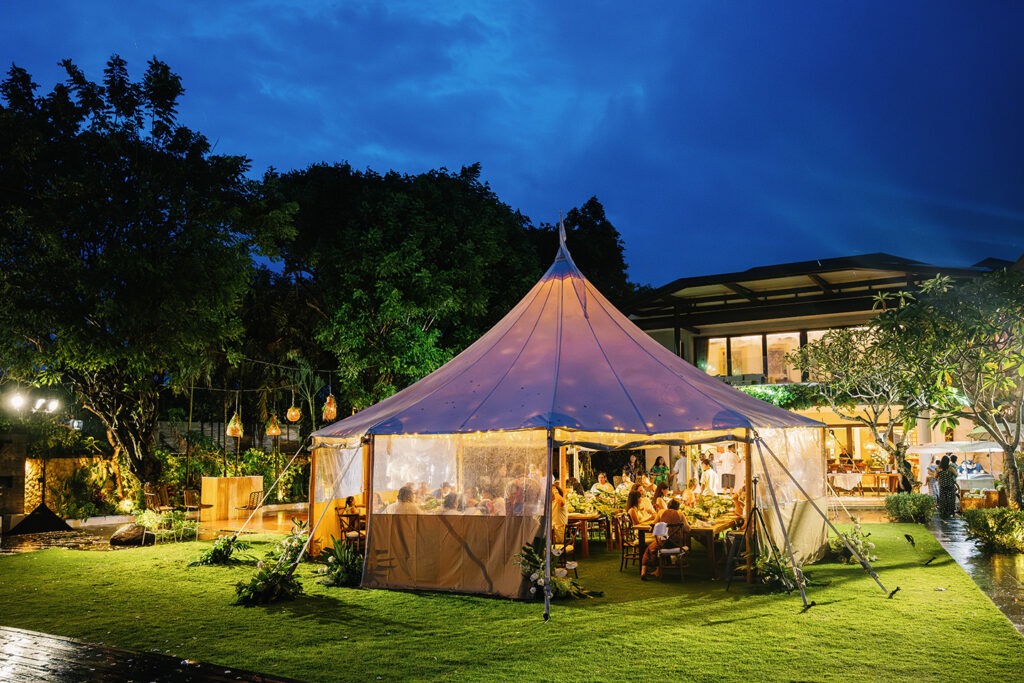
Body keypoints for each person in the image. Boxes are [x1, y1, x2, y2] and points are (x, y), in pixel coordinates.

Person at [641, 499, 690, 580]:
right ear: (678, 507)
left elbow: (654, 524)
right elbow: (687, 529)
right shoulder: (680, 513)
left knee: (650, 548)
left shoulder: (661, 512)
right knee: (654, 547)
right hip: (677, 544)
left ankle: (644, 572)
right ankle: (658, 570)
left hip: (663, 543)